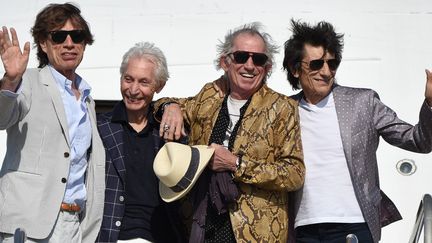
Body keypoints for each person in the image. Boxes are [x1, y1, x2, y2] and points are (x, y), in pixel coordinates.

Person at [282, 19, 432, 243]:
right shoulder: (283, 110)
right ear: (295, 69)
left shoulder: (363, 102)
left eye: (332, 64)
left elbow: (419, 141)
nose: (326, 72)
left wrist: (430, 104)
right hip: (302, 228)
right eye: (316, 64)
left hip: (354, 225)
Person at [155, 22, 305, 242]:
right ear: (225, 62)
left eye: (259, 59)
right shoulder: (209, 95)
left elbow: (294, 174)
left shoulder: (282, 108)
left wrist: (236, 164)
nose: (250, 65)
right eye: (241, 57)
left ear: (268, 67)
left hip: (257, 233)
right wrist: (170, 107)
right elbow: (165, 103)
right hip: (203, 225)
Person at [0, 3, 105, 243]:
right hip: (29, 224)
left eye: (76, 36)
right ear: (44, 44)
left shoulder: (87, 98)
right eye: (59, 36)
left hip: (75, 224)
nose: (69, 43)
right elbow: (2, 117)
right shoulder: (28, 81)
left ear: (84, 43)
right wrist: (9, 80)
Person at [95, 42, 185, 243]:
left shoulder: (170, 130)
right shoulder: (99, 127)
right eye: (128, 79)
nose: (133, 90)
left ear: (159, 86)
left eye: (144, 82)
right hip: (110, 236)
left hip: (162, 236)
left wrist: (172, 105)